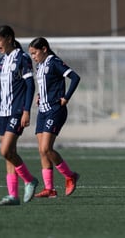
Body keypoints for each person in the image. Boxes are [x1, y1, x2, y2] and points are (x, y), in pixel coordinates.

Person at [0, 25, 39, 205]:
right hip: (4, 112)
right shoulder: (2, 62)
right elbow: (2, 90)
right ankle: (13, 195)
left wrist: (26, 110)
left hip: (17, 111)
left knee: (4, 150)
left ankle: (29, 180)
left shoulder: (22, 58)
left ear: (9, 38)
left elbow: (30, 86)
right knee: (9, 153)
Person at [28, 37, 80, 198]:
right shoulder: (40, 65)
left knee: (46, 148)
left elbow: (75, 77)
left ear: (44, 49)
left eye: (34, 53)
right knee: (42, 151)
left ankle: (70, 176)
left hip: (55, 110)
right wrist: (39, 96)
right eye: (31, 54)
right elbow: (45, 85)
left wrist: (66, 97)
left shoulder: (53, 61)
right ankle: (50, 189)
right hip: (42, 112)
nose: (33, 56)